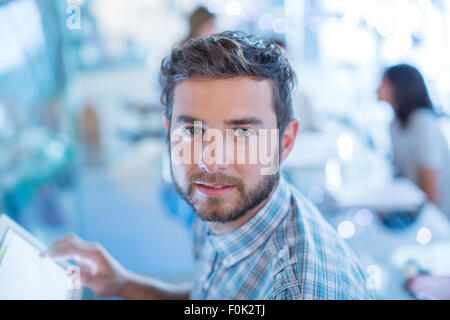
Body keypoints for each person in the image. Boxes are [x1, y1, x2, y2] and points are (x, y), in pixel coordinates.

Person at [42, 31, 372, 299]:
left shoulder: (299, 290)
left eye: (242, 132)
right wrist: (123, 284)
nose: (211, 160)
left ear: (284, 142)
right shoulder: (223, 204)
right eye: (193, 130)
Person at [377, 64, 450, 219]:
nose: (377, 88)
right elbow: (400, 175)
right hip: (410, 209)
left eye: (383, 82)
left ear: (398, 86)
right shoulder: (395, 125)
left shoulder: (424, 123)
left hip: (436, 218)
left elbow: (431, 191)